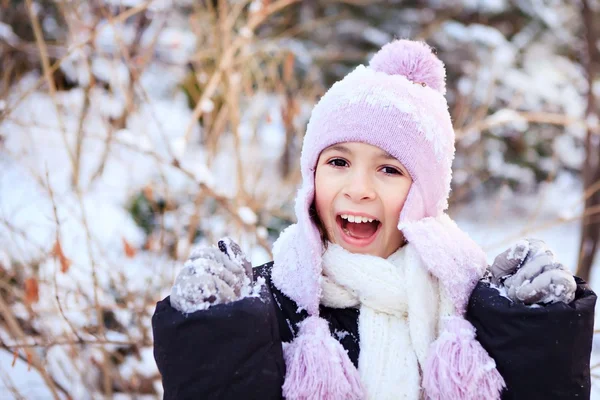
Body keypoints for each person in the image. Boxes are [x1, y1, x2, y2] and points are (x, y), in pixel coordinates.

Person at [151, 39, 596, 400]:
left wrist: (539, 332)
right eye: (339, 162)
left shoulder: (473, 309)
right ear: (312, 178)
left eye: (389, 169)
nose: (358, 188)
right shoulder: (274, 305)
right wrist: (211, 335)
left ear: (424, 196)